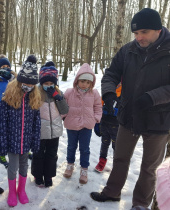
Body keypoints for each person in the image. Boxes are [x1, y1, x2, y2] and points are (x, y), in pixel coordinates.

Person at [90, 8, 170, 208]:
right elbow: (110, 74)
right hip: (128, 115)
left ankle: (141, 203)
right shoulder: (128, 50)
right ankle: (112, 192)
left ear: (158, 30)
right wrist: (109, 94)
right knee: (120, 158)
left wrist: (151, 98)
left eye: (143, 32)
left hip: (159, 119)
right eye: (135, 33)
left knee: (150, 167)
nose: (139, 37)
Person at [0, 55, 41, 207]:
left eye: (32, 84)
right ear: (20, 80)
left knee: (24, 166)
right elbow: (2, 123)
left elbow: (37, 123)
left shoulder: (34, 98)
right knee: (13, 167)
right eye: (26, 82)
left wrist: (35, 142)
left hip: (26, 141)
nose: (28, 85)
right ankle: (12, 191)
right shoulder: (7, 98)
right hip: (11, 142)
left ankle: (21, 190)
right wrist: (2, 144)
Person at [31, 61, 69, 188]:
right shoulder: (36, 93)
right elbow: (32, 111)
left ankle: (48, 175)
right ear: (41, 83)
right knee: (38, 154)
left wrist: (58, 98)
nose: (48, 85)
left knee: (52, 154)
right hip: (40, 131)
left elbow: (65, 111)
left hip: (55, 131)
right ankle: (38, 175)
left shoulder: (58, 93)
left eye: (51, 83)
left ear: (55, 83)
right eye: (46, 83)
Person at [63, 63, 102, 184]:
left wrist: (96, 118)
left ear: (91, 83)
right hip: (72, 125)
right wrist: (63, 117)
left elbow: (98, 106)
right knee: (71, 147)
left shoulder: (94, 93)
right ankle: (70, 165)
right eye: (82, 81)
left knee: (85, 149)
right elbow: (62, 106)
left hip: (87, 126)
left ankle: (84, 169)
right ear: (77, 80)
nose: (84, 84)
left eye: (87, 82)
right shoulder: (69, 92)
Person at [0, 54, 17, 168]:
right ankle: (2, 153)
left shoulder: (16, 80)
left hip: (15, 112)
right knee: (3, 134)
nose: (6, 67)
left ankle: (20, 150)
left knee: (15, 132)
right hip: (1, 113)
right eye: (3, 66)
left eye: (7, 65)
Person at [94, 83, 122, 172]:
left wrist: (117, 111)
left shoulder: (124, 94)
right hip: (104, 123)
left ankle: (117, 166)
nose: (117, 85)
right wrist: (97, 122)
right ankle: (101, 162)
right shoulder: (107, 92)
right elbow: (99, 106)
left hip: (116, 126)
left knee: (116, 146)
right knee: (104, 143)